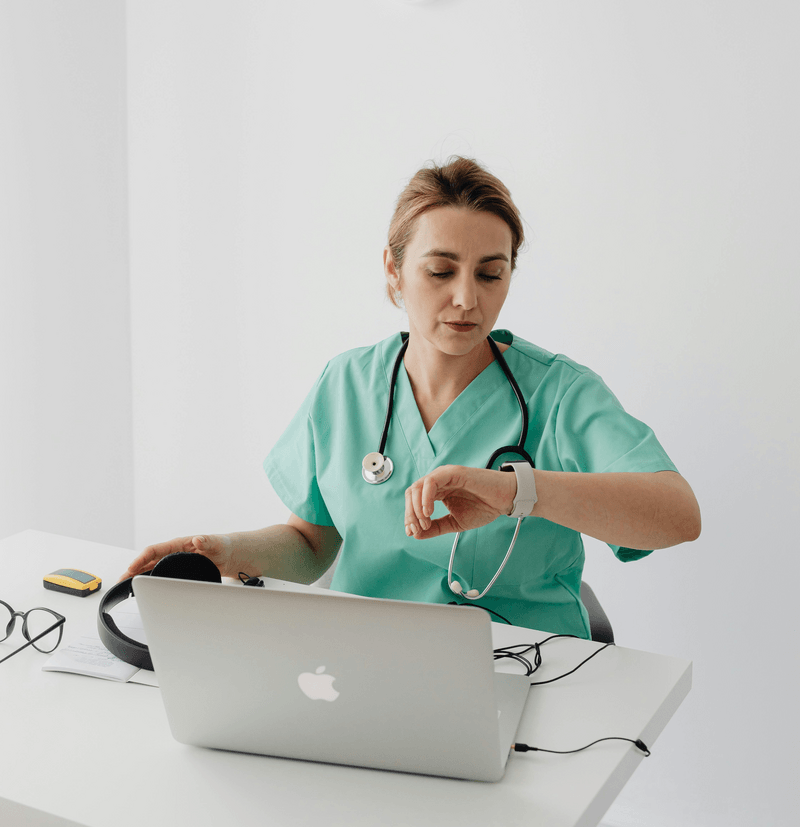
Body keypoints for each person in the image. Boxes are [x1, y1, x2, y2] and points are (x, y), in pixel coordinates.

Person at [121, 157, 701, 636]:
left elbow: (678, 515)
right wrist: (227, 551)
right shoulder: (346, 385)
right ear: (394, 272)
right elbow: (311, 543)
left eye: (490, 274)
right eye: (441, 271)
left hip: (526, 669)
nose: (466, 299)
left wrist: (517, 490)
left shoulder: (560, 394)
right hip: (366, 665)